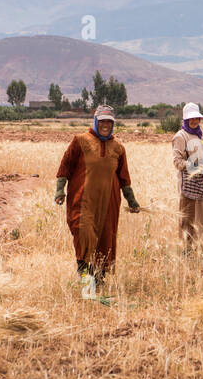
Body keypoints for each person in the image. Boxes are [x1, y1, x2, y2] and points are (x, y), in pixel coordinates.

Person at [55, 105, 142, 291]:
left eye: (109, 122)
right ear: (95, 121)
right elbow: (65, 166)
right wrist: (60, 190)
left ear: (113, 124)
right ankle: (87, 286)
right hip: (82, 203)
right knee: (84, 238)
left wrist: (132, 200)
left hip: (108, 204)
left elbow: (124, 177)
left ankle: (99, 283)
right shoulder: (80, 141)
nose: (105, 125)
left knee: (104, 241)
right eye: (102, 121)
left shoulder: (118, 148)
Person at [171, 102, 203, 250]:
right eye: (191, 119)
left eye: (196, 118)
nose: (194, 121)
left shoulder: (202, 134)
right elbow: (177, 162)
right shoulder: (180, 136)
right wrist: (196, 167)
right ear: (185, 119)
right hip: (188, 183)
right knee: (189, 218)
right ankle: (188, 250)